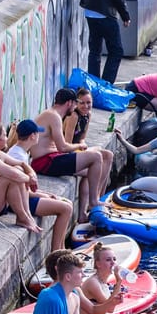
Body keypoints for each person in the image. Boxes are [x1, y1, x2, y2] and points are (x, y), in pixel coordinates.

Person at [0, 122, 74, 247]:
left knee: (18, 172)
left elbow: (21, 165)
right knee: (12, 176)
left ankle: (26, 216)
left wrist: (31, 174)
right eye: (5, 135)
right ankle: (23, 217)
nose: (8, 138)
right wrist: (28, 179)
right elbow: (13, 175)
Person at [30, 88, 111, 223]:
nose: (75, 108)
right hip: (46, 162)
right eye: (75, 104)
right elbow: (63, 147)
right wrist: (79, 146)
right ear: (69, 103)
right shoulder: (54, 116)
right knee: (96, 157)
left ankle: (82, 214)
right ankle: (94, 201)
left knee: (90, 170)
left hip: (49, 159)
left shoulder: (52, 114)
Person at [62, 88, 117, 194]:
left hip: (78, 149)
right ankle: (96, 196)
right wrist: (81, 147)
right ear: (76, 103)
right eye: (82, 103)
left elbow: (82, 137)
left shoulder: (88, 115)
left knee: (109, 155)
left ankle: (100, 194)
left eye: (89, 103)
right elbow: (67, 144)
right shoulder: (73, 116)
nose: (86, 106)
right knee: (97, 163)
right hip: (69, 151)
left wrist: (82, 143)